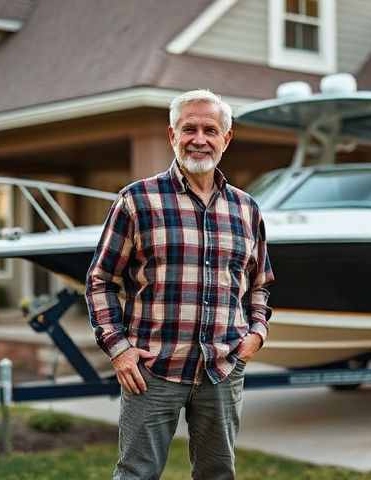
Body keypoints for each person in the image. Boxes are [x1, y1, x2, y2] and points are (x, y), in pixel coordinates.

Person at [85, 89, 274, 480]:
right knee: (136, 474)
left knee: (218, 474)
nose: (199, 139)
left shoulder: (246, 208)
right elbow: (100, 279)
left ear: (226, 138)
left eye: (210, 129)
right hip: (151, 370)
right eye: (189, 129)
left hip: (222, 369)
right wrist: (119, 350)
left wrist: (256, 332)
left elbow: (259, 284)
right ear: (173, 135)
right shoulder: (136, 200)